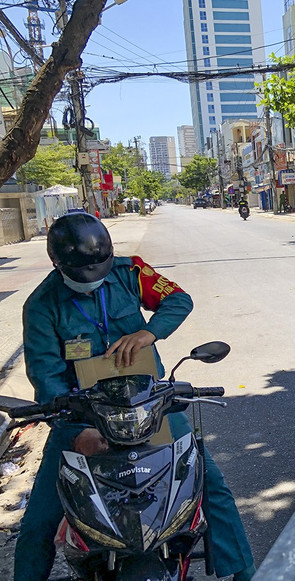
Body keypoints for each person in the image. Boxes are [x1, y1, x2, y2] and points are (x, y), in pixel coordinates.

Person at [17, 212, 255, 581]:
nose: (93, 280)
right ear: (57, 265)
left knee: (208, 483)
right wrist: (77, 430)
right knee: (41, 517)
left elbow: (178, 299)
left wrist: (149, 334)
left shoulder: (130, 274)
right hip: (83, 416)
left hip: (150, 407)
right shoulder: (42, 305)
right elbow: (46, 379)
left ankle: (245, 572)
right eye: (84, 274)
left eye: (100, 268)